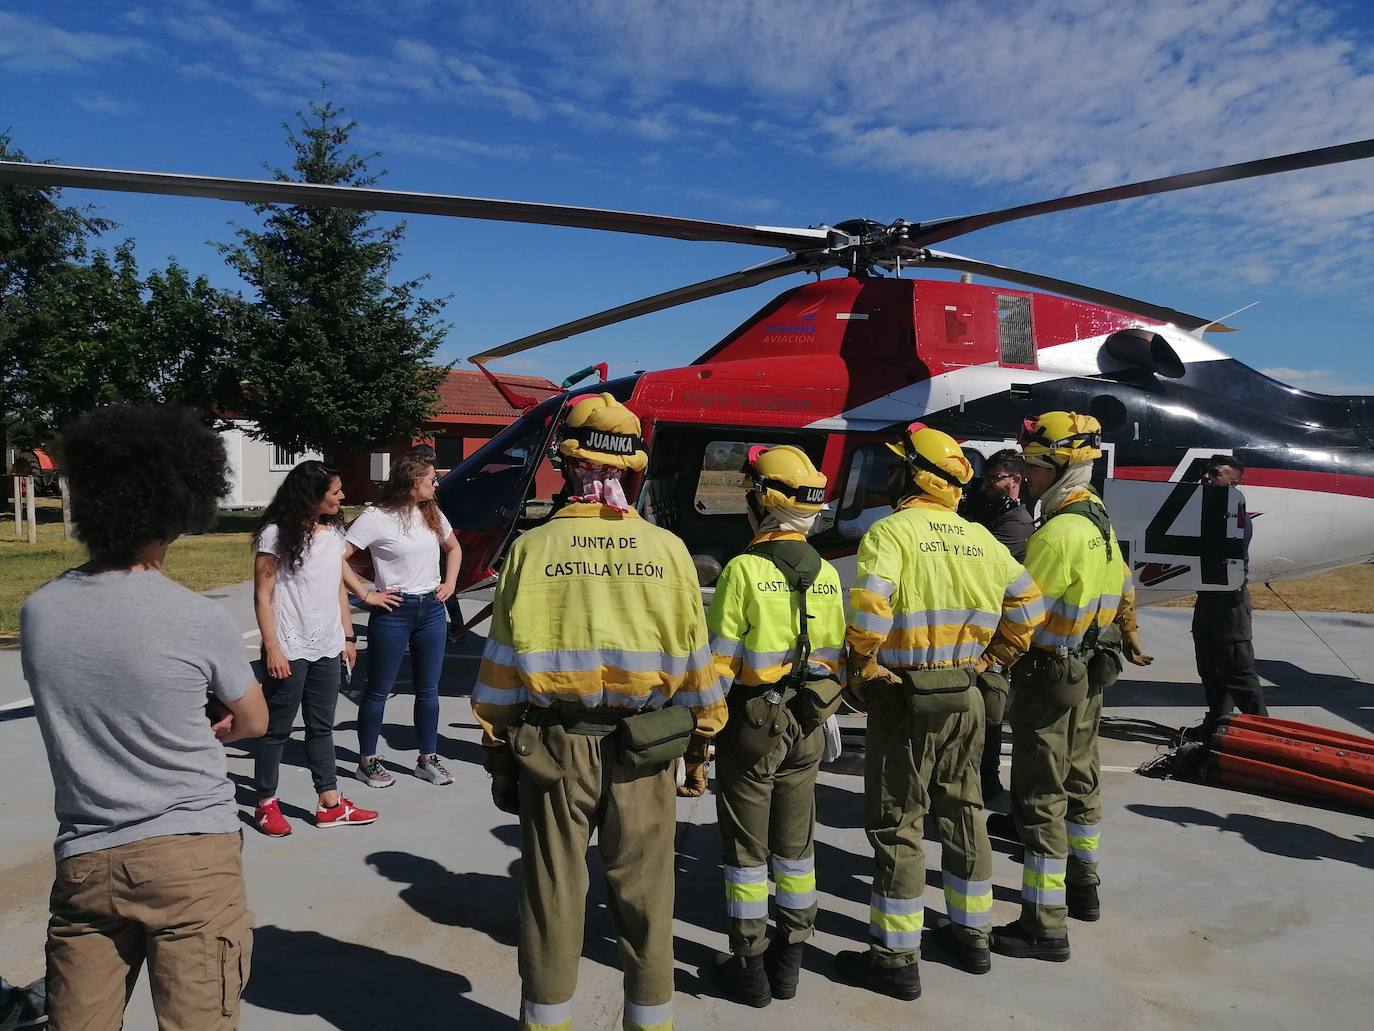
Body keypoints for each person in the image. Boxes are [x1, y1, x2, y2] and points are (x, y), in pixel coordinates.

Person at [471, 392, 727, 1031]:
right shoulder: (668, 551)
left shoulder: (533, 551)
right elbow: (696, 663)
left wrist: (499, 754)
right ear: (630, 467)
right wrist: (700, 745)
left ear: (568, 463)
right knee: (647, 896)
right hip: (646, 748)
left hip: (555, 746)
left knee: (553, 895)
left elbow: (501, 670)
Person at [20, 404, 267, 1029]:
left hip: (85, 858)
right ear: (180, 505)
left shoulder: (40, 611)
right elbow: (254, 721)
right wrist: (217, 725)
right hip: (191, 856)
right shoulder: (197, 617)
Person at [833, 423, 1044, 1000]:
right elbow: (1029, 606)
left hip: (907, 698)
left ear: (912, 476)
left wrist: (865, 672)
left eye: (898, 467)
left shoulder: (892, 533)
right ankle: (971, 935)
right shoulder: (983, 540)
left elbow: (870, 612)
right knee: (964, 808)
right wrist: (990, 659)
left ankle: (896, 957)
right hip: (968, 694)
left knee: (898, 823)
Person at [699, 446, 846, 1007]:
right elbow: (834, 658)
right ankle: (791, 960)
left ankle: (750, 967)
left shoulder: (744, 570)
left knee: (746, 852)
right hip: (809, 723)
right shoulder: (829, 574)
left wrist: (701, 737)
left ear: (762, 503)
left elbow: (718, 664)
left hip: (753, 724)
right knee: (796, 847)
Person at [990, 412, 1132, 962]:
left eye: (1032, 465)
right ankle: (1084, 885)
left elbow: (1023, 609)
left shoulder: (1058, 532)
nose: (1024, 475)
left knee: (1040, 795)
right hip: (1091, 672)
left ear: (1059, 466)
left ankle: (1044, 925)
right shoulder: (1099, 521)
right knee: (1081, 776)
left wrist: (988, 654)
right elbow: (1120, 587)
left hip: (1050, 678)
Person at [251, 460, 380, 835]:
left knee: (321, 727)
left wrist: (347, 635)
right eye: (335, 491)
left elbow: (336, 585)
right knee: (277, 729)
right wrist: (272, 647)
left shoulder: (332, 533)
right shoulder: (275, 534)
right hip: (289, 645)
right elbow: (262, 596)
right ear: (312, 495)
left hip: (327, 644)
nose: (342, 496)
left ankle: (330, 803)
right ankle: (265, 803)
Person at [344, 452, 461, 788]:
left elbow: (454, 548)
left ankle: (427, 758)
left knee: (429, 690)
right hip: (394, 612)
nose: (436, 484)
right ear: (413, 483)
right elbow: (337, 557)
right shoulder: (375, 517)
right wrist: (366, 595)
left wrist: (450, 584)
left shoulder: (431, 512)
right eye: (431, 479)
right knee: (378, 690)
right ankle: (366, 761)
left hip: (431, 610)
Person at [959, 448, 1036, 797]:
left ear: (1015, 481)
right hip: (980, 629)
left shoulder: (1016, 522)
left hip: (995, 633)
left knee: (989, 707)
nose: (987, 487)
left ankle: (986, 780)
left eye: (994, 480)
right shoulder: (993, 512)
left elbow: (979, 567)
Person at [1189, 455, 1266, 734]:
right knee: (1208, 666)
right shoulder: (1199, 511)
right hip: (1208, 597)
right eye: (1205, 471)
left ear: (1233, 483)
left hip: (1230, 601)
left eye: (1215, 473)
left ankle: (1261, 732)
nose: (1206, 476)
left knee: (1238, 669)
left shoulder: (1238, 520)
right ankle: (1218, 724)